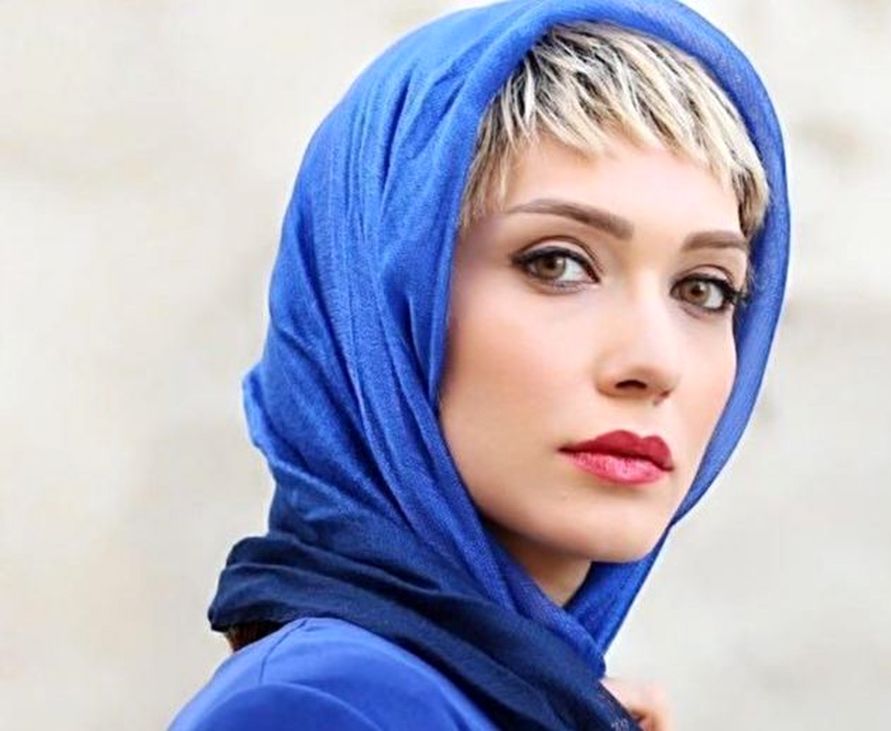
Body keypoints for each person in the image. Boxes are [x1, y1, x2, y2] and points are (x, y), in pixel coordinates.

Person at [168, 0, 789, 728]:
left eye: (704, 288)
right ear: (381, 307)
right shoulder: (322, 708)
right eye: (556, 263)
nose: (655, 362)